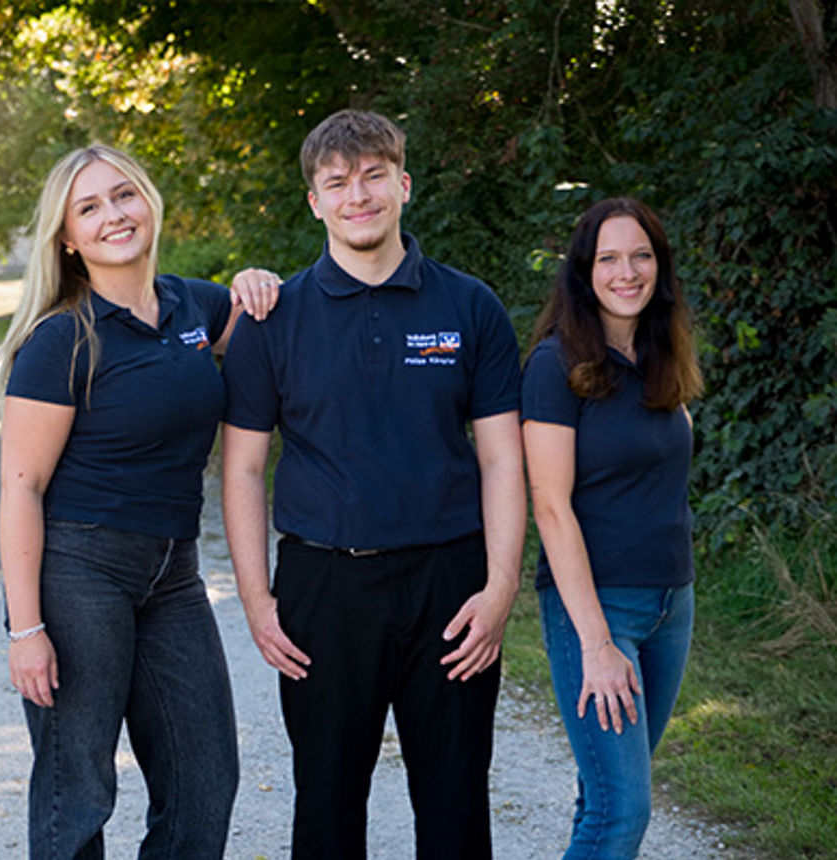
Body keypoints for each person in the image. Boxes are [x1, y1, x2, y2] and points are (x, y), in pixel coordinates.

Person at [220, 109, 526, 860]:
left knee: (455, 804)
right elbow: (244, 468)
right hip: (325, 587)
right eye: (337, 182)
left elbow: (502, 460)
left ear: (403, 185)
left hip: (450, 582)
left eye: (373, 176)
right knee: (326, 805)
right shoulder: (273, 316)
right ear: (315, 202)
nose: (357, 195)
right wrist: (259, 602)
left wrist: (500, 587)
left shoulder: (470, 306)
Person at [0, 143, 279, 859]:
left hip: (174, 572)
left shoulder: (195, 304)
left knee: (205, 777)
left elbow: (264, 327)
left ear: (148, 201)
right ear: (67, 237)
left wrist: (257, 282)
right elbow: (21, 487)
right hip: (78, 569)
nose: (113, 216)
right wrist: (26, 629)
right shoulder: (59, 339)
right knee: (78, 787)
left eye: (123, 196)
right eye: (88, 207)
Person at [522, 198, 703, 859]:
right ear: (583, 271)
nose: (627, 272)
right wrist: (597, 643)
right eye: (609, 258)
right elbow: (550, 506)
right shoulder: (555, 365)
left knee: (603, 795)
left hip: (670, 605)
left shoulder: (662, 356)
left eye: (641, 255)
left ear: (659, 265)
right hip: (598, 611)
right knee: (622, 811)